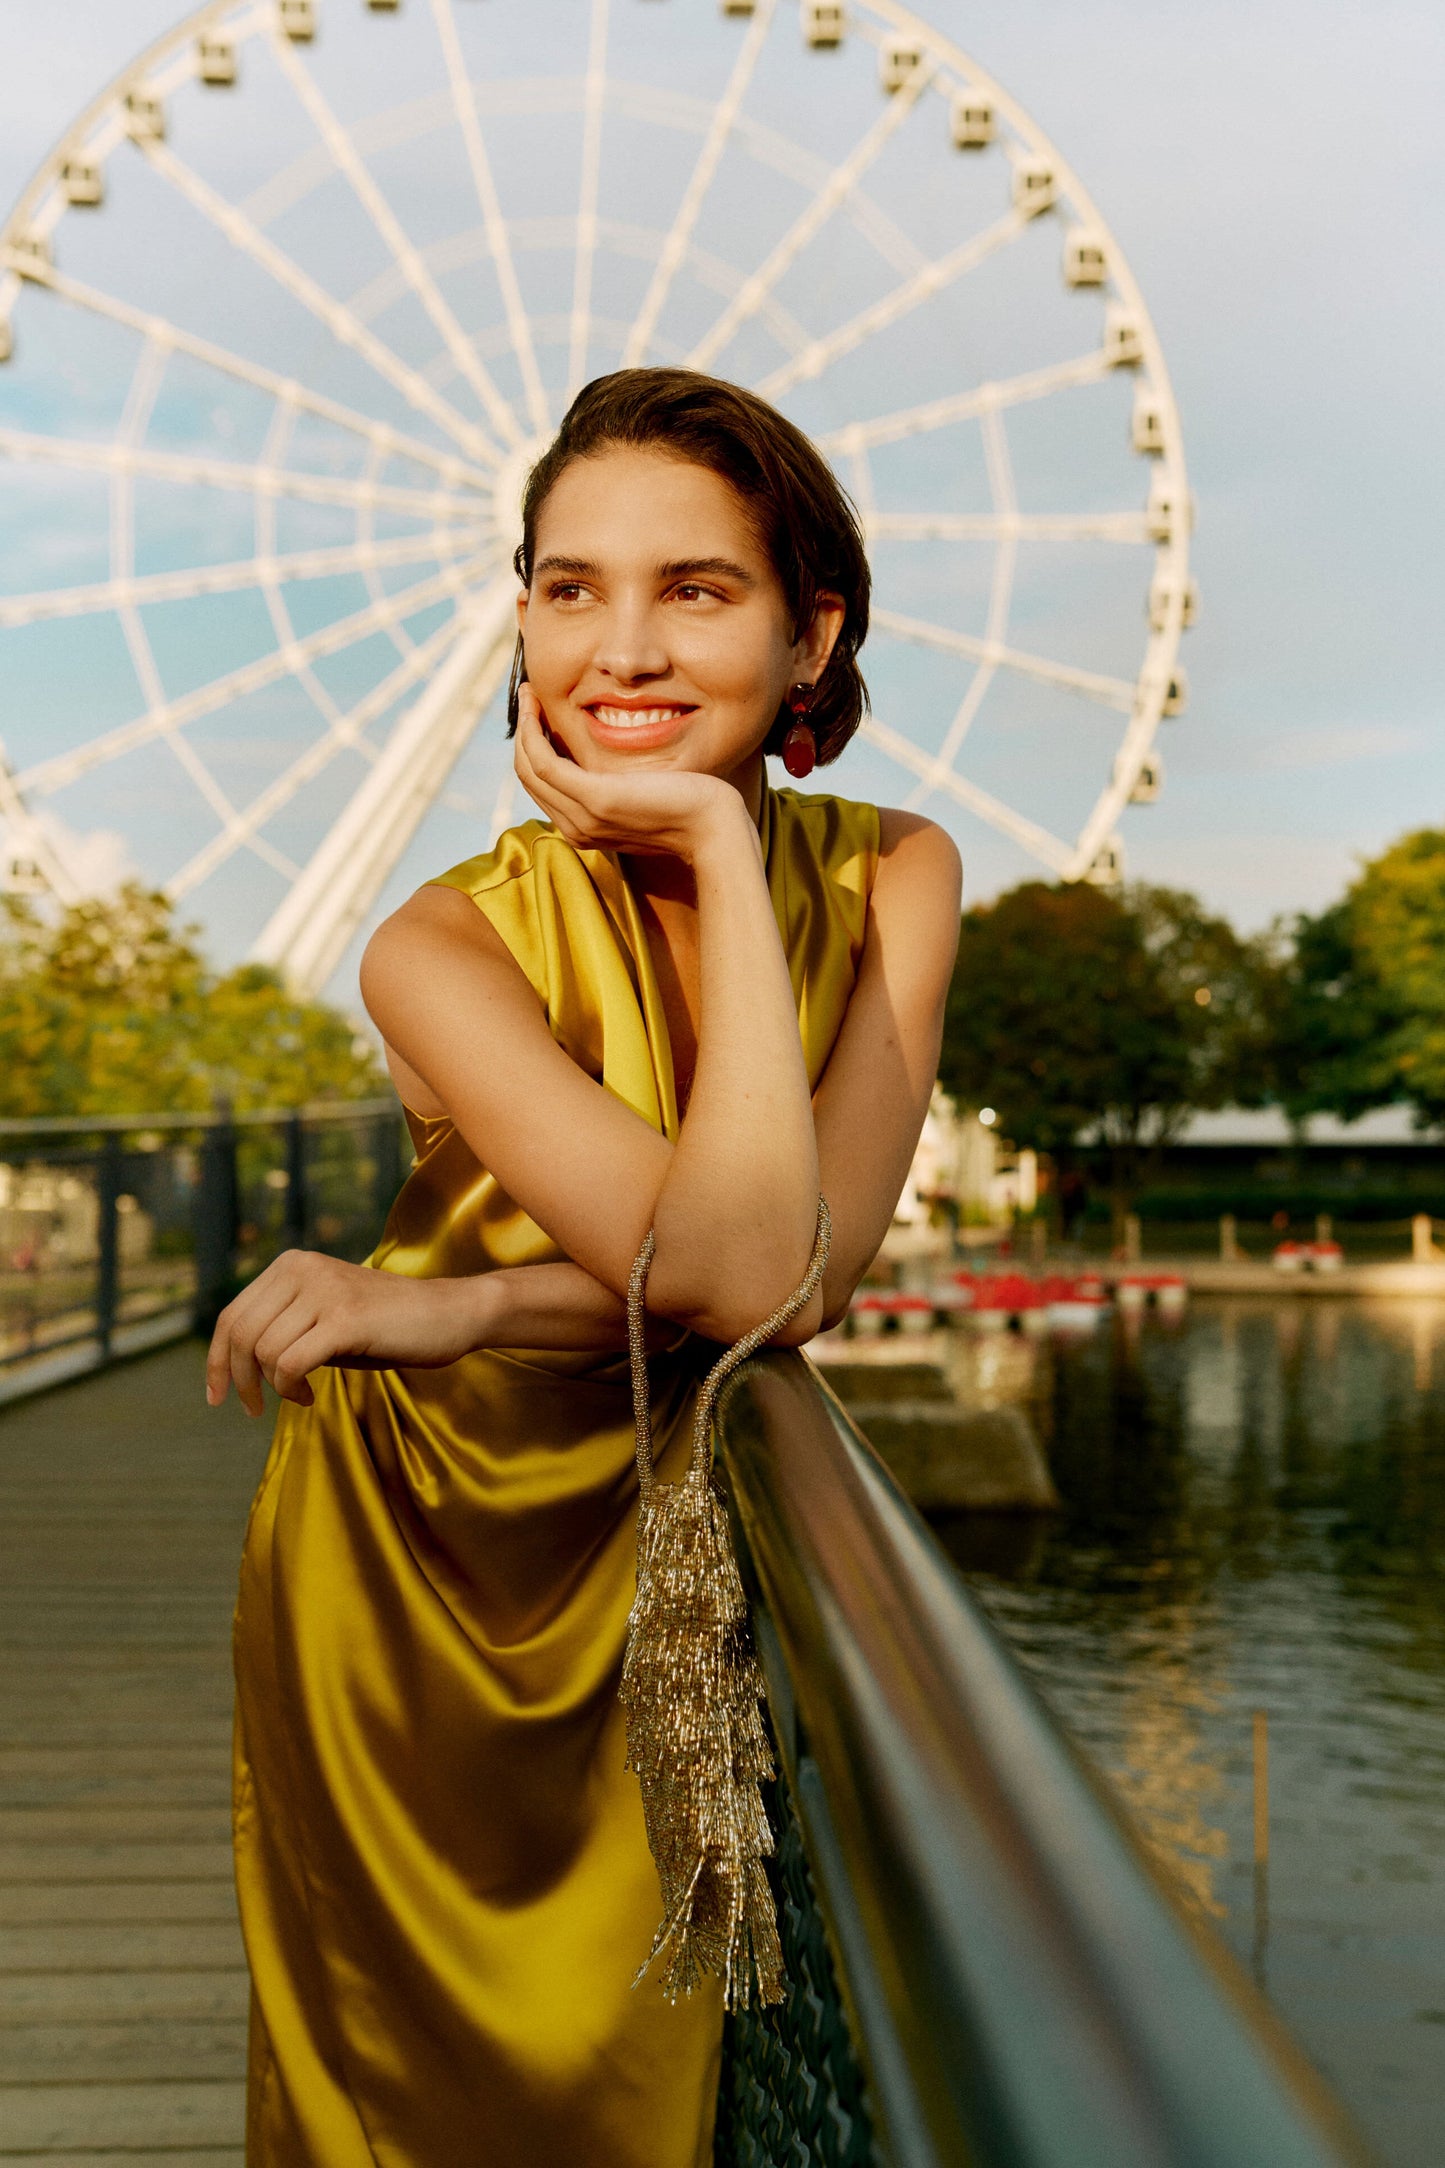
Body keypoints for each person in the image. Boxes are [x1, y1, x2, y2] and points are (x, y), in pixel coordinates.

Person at [207, 367, 961, 2166]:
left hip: (666, 1564)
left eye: (694, 590)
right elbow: (725, 1273)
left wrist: (455, 1297)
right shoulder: (438, 945)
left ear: (809, 632)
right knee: (407, 2101)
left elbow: (788, 1279)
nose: (617, 647)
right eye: (566, 587)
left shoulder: (898, 880)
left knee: (649, 2097)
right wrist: (714, 829)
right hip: (418, 1577)